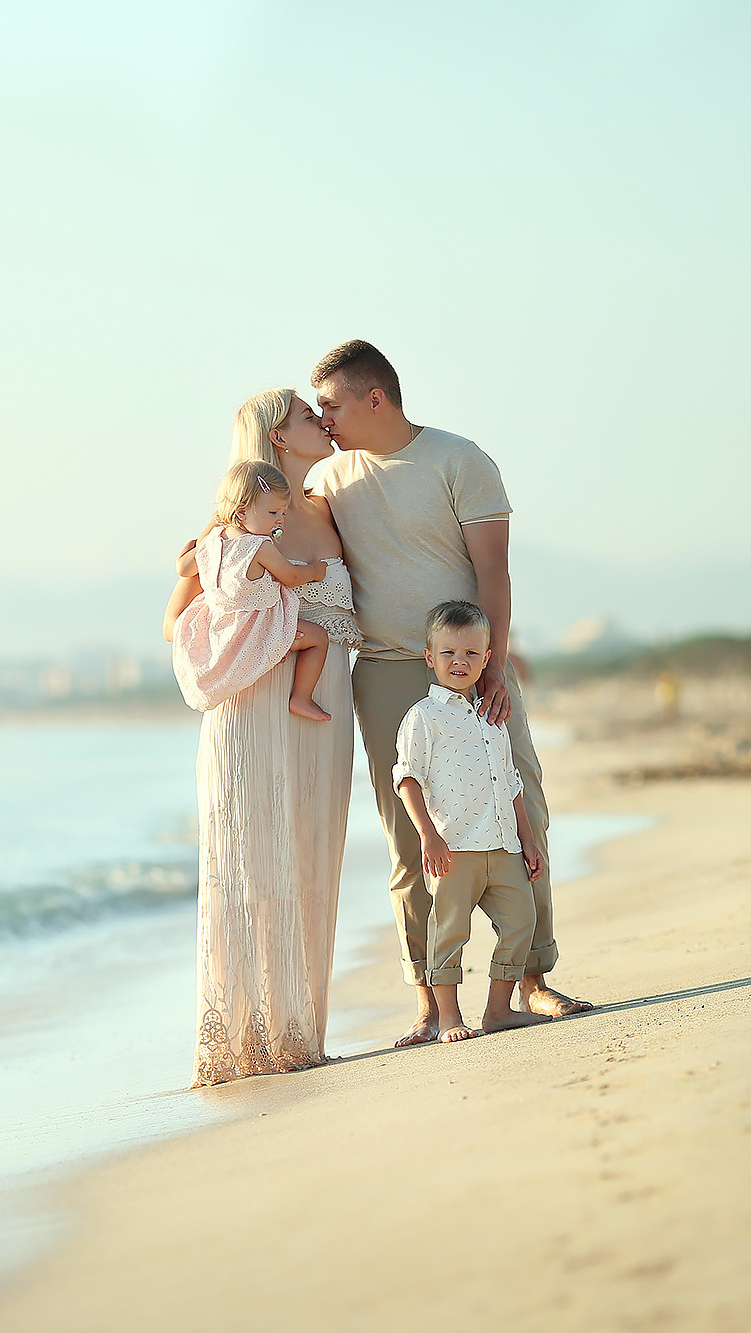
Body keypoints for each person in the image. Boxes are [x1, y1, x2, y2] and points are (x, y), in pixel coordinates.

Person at [308, 339, 594, 1048]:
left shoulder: (459, 459)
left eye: (333, 404)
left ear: (377, 398)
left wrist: (492, 666)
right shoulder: (331, 478)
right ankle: (430, 1002)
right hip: (383, 670)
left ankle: (531, 977)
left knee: (520, 812)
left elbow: (492, 570)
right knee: (411, 840)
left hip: (471, 663)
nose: (325, 417)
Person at [164, 388, 360, 1086]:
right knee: (251, 862)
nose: (323, 421)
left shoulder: (332, 508)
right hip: (252, 705)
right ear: (279, 437)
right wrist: (192, 577)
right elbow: (173, 624)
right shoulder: (237, 527)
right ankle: (242, 1037)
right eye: (310, 415)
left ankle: (298, 1034)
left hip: (322, 700)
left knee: (311, 852)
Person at [392, 600, 553, 1042]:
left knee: (522, 920)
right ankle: (448, 1018)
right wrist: (428, 837)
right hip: (454, 848)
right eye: (448, 653)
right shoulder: (423, 718)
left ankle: (498, 1011)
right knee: (448, 933)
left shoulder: (492, 717)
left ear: (486, 659)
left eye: (470, 654)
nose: (459, 663)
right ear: (430, 658)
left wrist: (528, 841)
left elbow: (512, 782)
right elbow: (407, 779)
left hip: (503, 844)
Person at [171, 459, 334, 723]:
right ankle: (301, 697)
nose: (280, 519)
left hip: (223, 631)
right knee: (318, 638)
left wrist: (195, 542)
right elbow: (291, 576)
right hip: (256, 628)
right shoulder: (259, 547)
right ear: (242, 511)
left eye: (282, 513)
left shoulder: (214, 541)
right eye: (272, 513)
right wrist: (315, 571)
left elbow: (184, 567)